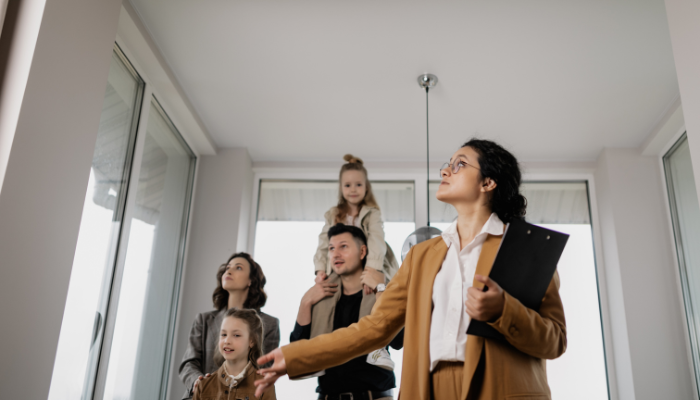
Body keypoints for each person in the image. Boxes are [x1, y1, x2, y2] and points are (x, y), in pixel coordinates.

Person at [254, 139, 567, 400]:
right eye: (448, 162)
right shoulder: (421, 256)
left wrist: (504, 310)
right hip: (428, 390)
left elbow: (555, 340)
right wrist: (294, 356)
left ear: (488, 182)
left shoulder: (527, 249)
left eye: (459, 164)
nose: (445, 169)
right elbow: (373, 328)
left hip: (503, 390)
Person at [292, 223, 404, 400]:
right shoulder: (321, 296)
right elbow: (298, 350)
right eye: (331, 248)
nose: (335, 254)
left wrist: (381, 290)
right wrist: (305, 303)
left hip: (375, 396)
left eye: (343, 246)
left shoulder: (382, 289)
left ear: (362, 252)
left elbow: (399, 341)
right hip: (328, 396)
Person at [180, 253, 280, 399]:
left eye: (238, 268)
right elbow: (189, 363)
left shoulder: (269, 324)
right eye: (227, 268)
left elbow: (264, 371)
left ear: (251, 280)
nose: (229, 271)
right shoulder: (204, 319)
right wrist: (199, 382)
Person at [314, 154, 399, 294]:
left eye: (358, 184)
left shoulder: (372, 214)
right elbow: (324, 243)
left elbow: (376, 241)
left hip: (368, 264)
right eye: (348, 185)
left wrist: (371, 270)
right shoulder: (333, 214)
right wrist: (320, 270)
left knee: (373, 295)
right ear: (341, 188)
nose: (353, 189)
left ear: (366, 187)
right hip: (342, 268)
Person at [193, 308, 277, 400]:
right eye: (224, 334)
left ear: (252, 340)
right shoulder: (203, 385)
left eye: (236, 335)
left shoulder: (265, 385)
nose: (227, 341)